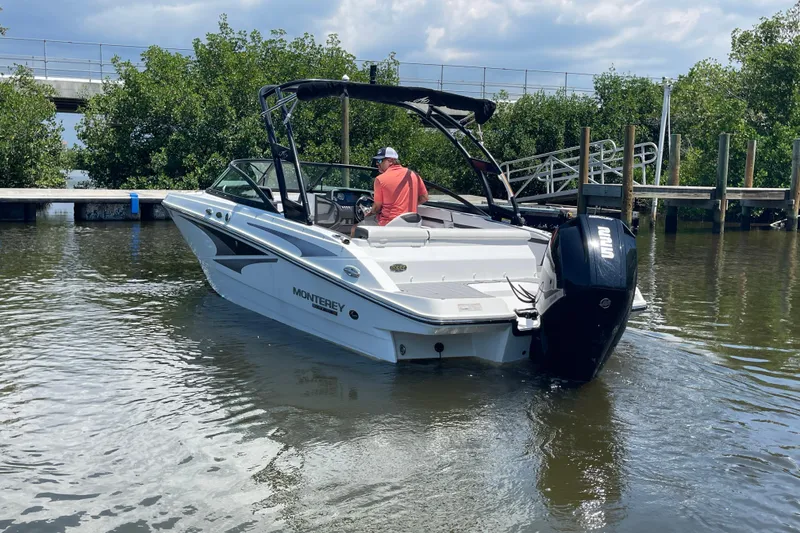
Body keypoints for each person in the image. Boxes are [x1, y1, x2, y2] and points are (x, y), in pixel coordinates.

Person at [351, 147, 428, 236]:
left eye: (380, 161)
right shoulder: (414, 175)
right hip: (412, 224)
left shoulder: (380, 179)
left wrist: (368, 214)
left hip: (389, 224)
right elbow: (424, 198)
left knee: (354, 229)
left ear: (390, 161)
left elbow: (377, 208)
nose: (377, 164)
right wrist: (405, 205)